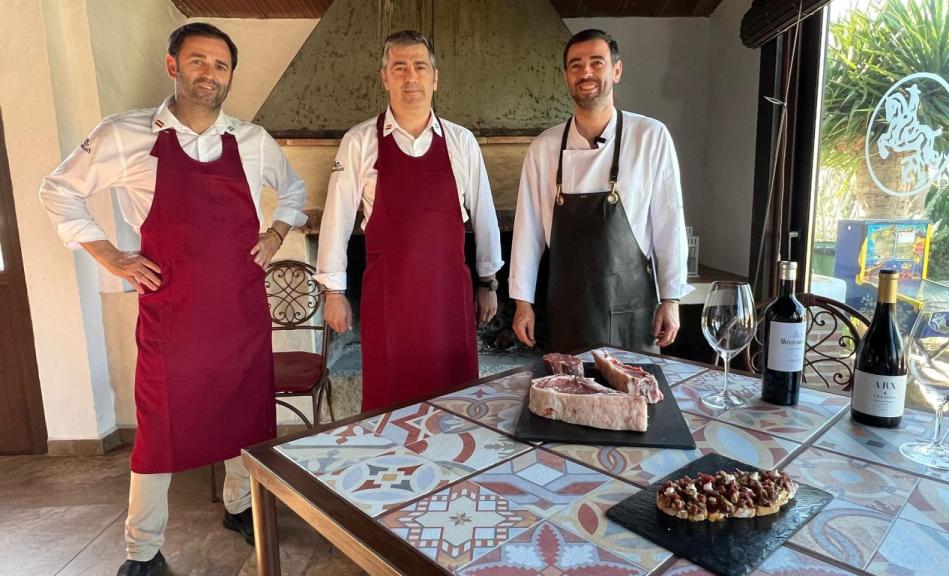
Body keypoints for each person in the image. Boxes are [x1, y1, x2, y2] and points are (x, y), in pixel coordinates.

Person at [39, 23, 307, 576]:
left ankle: (239, 506)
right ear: (173, 66)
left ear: (230, 77)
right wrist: (110, 255)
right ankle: (142, 550)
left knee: (245, 415)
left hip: (239, 311)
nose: (209, 73)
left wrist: (276, 234)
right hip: (171, 313)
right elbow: (58, 189)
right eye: (198, 60)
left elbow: (295, 192)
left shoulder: (252, 140)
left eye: (220, 65)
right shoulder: (125, 134)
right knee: (159, 428)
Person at [315, 30, 503, 412]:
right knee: (390, 406)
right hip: (389, 299)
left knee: (455, 403)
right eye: (399, 67)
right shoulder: (359, 142)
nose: (411, 77)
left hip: (448, 299)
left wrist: (489, 282)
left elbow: (485, 216)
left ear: (435, 77)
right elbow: (336, 219)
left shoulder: (461, 141)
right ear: (384, 78)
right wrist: (333, 293)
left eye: (420, 66)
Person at [509, 29, 692, 353]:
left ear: (616, 71)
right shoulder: (544, 147)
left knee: (634, 387)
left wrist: (671, 298)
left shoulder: (650, 137)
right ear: (566, 76)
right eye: (576, 65)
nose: (586, 72)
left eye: (597, 62)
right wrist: (523, 303)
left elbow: (670, 224)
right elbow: (527, 231)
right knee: (567, 386)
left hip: (633, 315)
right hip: (566, 316)